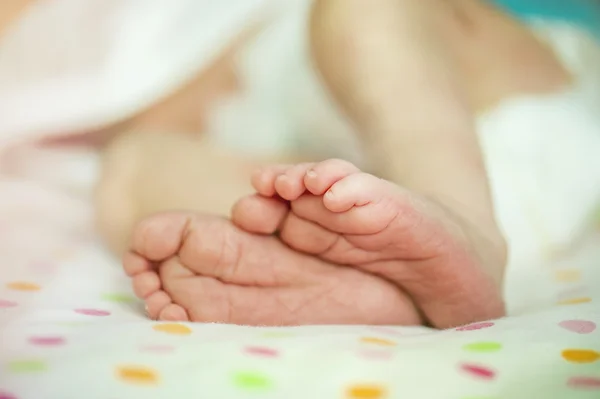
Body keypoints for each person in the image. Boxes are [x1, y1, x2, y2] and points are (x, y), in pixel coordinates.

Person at [1, 0, 599, 328]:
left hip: (474, 94)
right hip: (358, 201)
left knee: (364, 11)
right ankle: (380, 291)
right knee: (133, 177)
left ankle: (469, 228)